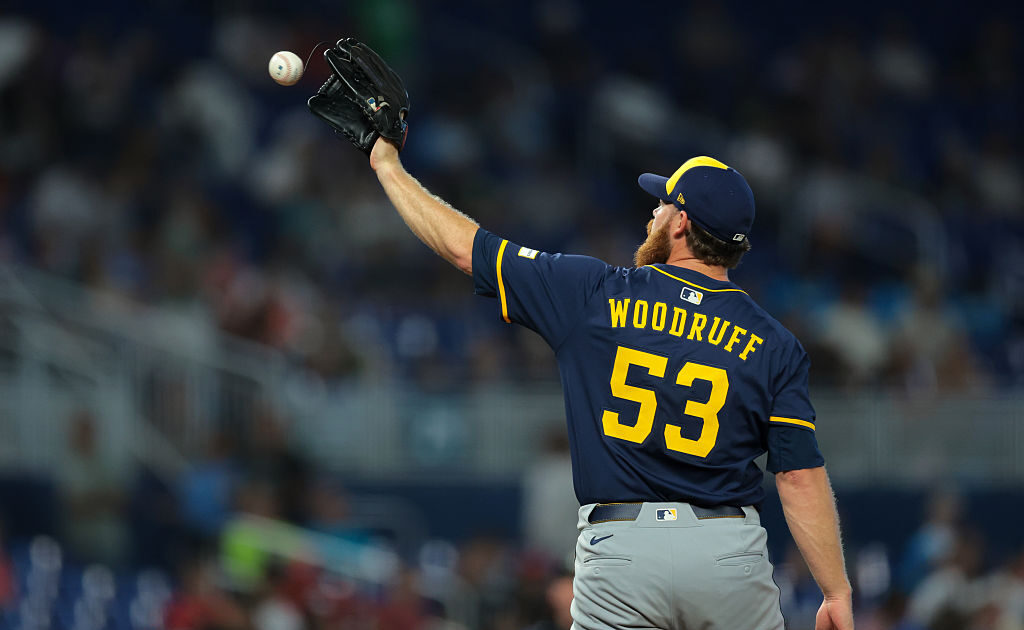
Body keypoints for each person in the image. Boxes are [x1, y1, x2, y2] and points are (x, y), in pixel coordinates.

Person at [361, 135, 853, 629]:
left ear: (681, 223)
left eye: (662, 205)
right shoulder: (774, 342)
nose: (653, 214)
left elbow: (465, 248)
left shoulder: (595, 292)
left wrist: (388, 166)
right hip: (727, 556)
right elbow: (796, 476)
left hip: (623, 554)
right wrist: (834, 590)